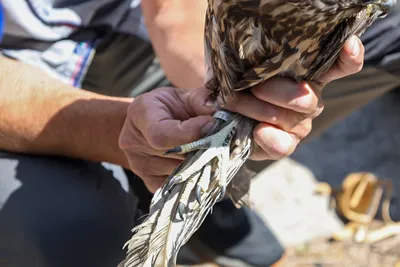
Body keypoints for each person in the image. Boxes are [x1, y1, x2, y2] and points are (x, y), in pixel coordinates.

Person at [0, 1, 368, 267]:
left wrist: (228, 88)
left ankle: (198, 191)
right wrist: (118, 128)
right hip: (22, 83)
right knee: (68, 228)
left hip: (124, 42)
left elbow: (173, 12)